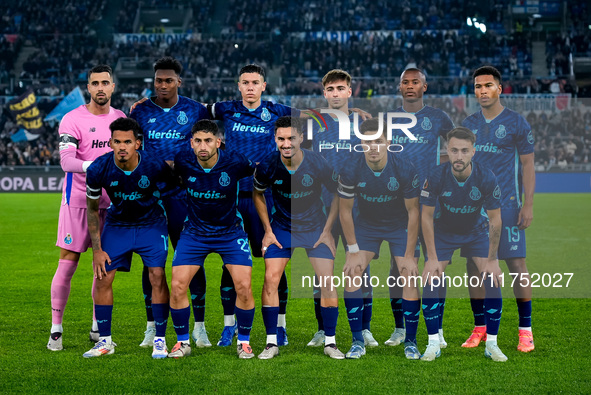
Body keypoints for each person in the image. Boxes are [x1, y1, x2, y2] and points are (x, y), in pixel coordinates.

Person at [208, 64, 299, 347]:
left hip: (266, 198)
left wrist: (349, 112)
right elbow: (192, 108)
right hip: (232, 196)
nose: (250, 87)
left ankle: (280, 326)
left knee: (276, 264)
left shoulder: (278, 110)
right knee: (230, 265)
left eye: (255, 82)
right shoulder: (226, 109)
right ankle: (229, 325)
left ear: (263, 86)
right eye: (245, 82)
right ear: (239, 85)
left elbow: (317, 117)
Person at [130, 57, 211, 349]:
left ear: (179, 81)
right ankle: (152, 327)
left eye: (168, 80)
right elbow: (134, 148)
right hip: (151, 196)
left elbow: (207, 145)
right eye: (158, 80)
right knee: (152, 262)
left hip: (185, 196)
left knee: (191, 258)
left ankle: (200, 327)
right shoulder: (139, 111)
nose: (162, 85)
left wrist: (180, 165)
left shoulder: (195, 109)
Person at [47, 65, 125, 351]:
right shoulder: (72, 119)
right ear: (88, 87)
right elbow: (67, 162)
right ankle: (56, 329)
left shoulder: (120, 118)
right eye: (95, 83)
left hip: (112, 204)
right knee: (67, 263)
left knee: (102, 267)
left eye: (106, 82)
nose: (101, 88)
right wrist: (99, 165)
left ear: (113, 86)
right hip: (78, 202)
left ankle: (97, 326)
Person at [254, 116, 343, 360]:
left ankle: (331, 342)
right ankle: (271, 342)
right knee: (270, 279)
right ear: (275, 139)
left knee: (327, 281)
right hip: (282, 228)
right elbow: (258, 194)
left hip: (315, 228)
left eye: (291, 138)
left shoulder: (318, 163)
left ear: (301, 138)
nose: (286, 143)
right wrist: (268, 230)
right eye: (281, 139)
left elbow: (339, 194)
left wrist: (327, 230)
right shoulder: (268, 165)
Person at [83, 118, 172, 359]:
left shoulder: (154, 164)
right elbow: (92, 210)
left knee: (157, 275)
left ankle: (160, 339)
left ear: (138, 144)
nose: (122, 147)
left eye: (128, 142)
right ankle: (105, 341)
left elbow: (175, 189)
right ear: (110, 142)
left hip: (151, 225)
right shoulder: (98, 169)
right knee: (102, 278)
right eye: (117, 142)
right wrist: (97, 249)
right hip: (117, 225)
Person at [168, 120, 256, 359]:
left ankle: (244, 342)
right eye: (198, 141)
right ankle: (183, 342)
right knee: (177, 287)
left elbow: (261, 172)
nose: (203, 146)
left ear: (218, 142)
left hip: (230, 233)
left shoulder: (235, 162)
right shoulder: (183, 161)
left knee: (244, 287)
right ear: (191, 143)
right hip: (195, 233)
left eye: (208, 140)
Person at [461, 66, 535, 352]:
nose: (482, 90)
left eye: (488, 85)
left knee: (516, 265)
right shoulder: (469, 123)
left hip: (508, 207)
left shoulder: (516, 123)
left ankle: (525, 330)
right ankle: (480, 327)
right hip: (474, 212)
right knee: (473, 268)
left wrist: (528, 204)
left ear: (499, 88)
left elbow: (528, 165)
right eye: (478, 86)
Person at [420, 126, 506, 362]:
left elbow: (496, 218)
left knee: (491, 277)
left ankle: (492, 344)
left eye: (464, 151)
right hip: (444, 232)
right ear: (446, 150)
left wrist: (493, 259)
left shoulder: (486, 176)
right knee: (431, 276)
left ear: (473, 152)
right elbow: (425, 217)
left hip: (475, 232)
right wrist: (431, 257)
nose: (458, 156)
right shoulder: (436, 176)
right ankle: (433, 342)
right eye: (454, 150)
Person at [306, 69, 378, 348]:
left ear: (350, 91)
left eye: (340, 88)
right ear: (324, 93)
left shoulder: (363, 122)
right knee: (320, 271)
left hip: (356, 207)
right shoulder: (315, 123)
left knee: (360, 267)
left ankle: (365, 329)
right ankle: (323, 330)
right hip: (320, 207)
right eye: (330, 89)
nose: (335, 94)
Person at [338, 118, 421, 359]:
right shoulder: (351, 167)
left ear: (389, 142)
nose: (373, 147)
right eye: (367, 142)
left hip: (399, 226)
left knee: (408, 274)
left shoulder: (405, 167)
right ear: (361, 143)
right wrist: (352, 250)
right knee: (352, 272)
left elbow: (413, 212)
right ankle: (357, 341)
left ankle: (411, 341)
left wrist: (408, 255)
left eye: (378, 141)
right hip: (367, 225)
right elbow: (345, 211)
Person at [385, 68, 455, 348]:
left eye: (415, 82)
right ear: (399, 87)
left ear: (425, 86)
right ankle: (400, 327)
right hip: (397, 203)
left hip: (432, 203)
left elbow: (455, 148)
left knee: (434, 265)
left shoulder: (439, 118)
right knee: (397, 267)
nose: (410, 86)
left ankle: (436, 331)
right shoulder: (388, 119)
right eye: (405, 82)